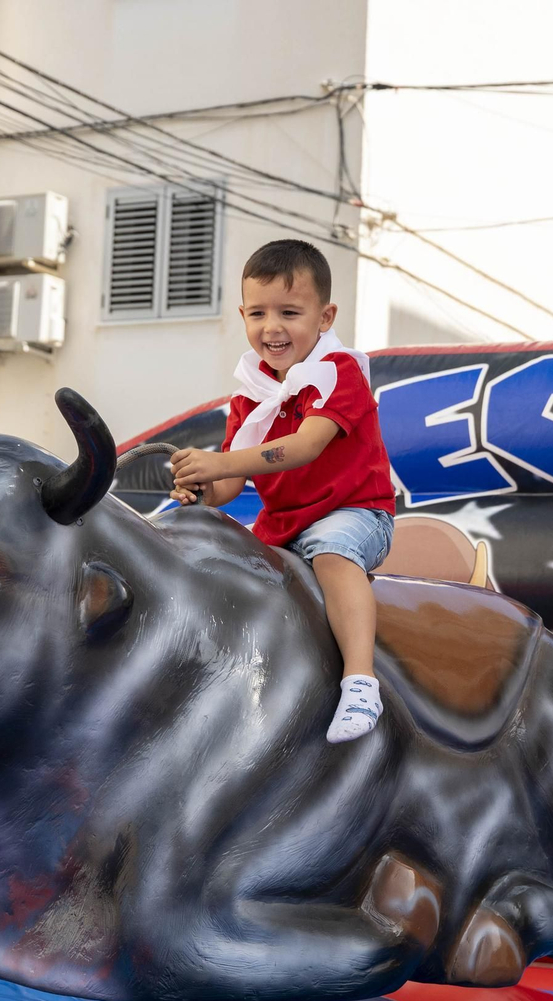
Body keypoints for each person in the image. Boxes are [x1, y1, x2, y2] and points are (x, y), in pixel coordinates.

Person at [170, 239, 396, 744]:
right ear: (242, 316)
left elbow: (305, 446)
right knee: (215, 555)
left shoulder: (339, 373)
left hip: (354, 513)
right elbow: (229, 484)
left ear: (324, 315)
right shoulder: (250, 391)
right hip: (284, 526)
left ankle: (361, 681)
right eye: (258, 313)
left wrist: (222, 461)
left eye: (289, 312)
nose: (271, 327)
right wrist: (201, 487)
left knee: (334, 553)